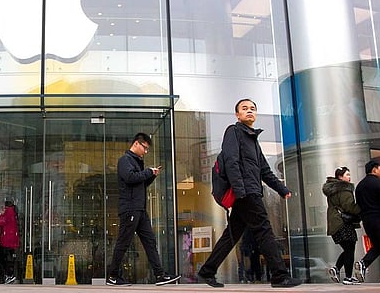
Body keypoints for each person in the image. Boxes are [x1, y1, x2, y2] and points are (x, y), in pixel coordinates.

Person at [198, 99, 302, 288]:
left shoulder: (253, 141)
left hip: (249, 192)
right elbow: (231, 161)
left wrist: (282, 189)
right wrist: (240, 190)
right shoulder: (234, 131)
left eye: (252, 109)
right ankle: (280, 276)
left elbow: (265, 171)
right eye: (244, 109)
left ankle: (207, 271)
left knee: (232, 234)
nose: (249, 111)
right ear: (237, 115)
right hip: (245, 192)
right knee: (264, 230)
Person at [106, 133, 181, 286]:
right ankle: (112, 276)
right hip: (130, 209)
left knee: (150, 242)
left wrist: (152, 175)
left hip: (140, 209)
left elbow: (139, 184)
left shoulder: (136, 162)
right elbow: (130, 178)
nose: (146, 151)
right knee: (124, 242)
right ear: (136, 144)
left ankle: (159, 275)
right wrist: (148, 171)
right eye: (145, 148)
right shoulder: (125, 160)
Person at [322, 166, 361, 285]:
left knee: (347, 249)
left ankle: (337, 269)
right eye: (347, 175)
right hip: (343, 222)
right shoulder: (344, 189)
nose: (349, 177)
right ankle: (347, 276)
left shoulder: (332, 190)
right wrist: (361, 208)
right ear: (340, 177)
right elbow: (349, 206)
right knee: (350, 249)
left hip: (334, 223)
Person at [0, 200, 19, 284]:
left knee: (2, 258)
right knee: (8, 258)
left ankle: (9, 275)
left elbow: (1, 222)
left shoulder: (8, 212)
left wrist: (1, 215)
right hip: (12, 240)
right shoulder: (14, 212)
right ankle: (9, 275)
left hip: (6, 240)